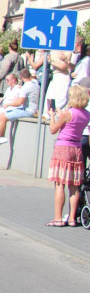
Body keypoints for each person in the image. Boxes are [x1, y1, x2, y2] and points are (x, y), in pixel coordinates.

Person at [47, 85, 90, 226]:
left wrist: (53, 116)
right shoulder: (86, 114)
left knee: (60, 183)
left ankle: (58, 218)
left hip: (63, 147)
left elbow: (54, 129)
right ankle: (72, 218)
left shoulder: (67, 113)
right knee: (74, 185)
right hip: (76, 147)